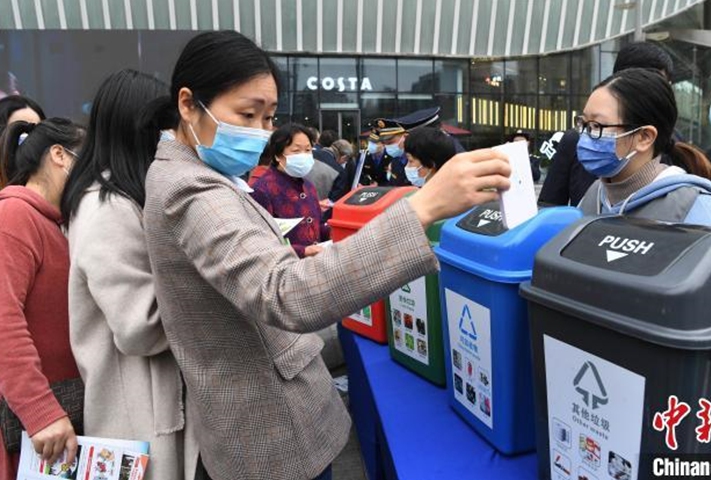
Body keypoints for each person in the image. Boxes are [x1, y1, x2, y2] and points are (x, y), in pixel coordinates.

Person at [141, 30, 510, 480]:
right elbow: (284, 295)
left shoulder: (198, 173)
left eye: (268, 117)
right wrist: (424, 207)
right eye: (246, 114)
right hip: (274, 436)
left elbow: (258, 276)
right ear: (187, 104)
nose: (259, 132)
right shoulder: (191, 189)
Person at [60, 69, 199, 480]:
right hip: (138, 418)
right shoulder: (106, 209)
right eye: (162, 127)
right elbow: (140, 326)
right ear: (136, 130)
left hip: (150, 409)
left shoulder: (124, 197)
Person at [0, 118, 84, 479]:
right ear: (59, 156)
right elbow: (4, 319)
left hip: (56, 416)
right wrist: (41, 412)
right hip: (34, 429)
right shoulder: (14, 215)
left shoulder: (54, 222)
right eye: (88, 161)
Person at [576, 68, 711, 228]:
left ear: (645, 137)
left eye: (596, 125)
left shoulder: (698, 210)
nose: (585, 135)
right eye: (583, 124)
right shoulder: (593, 196)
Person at [539, 41, 675, 207]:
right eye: (586, 123)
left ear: (646, 137)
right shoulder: (589, 200)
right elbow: (548, 207)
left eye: (661, 85)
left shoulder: (684, 198)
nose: (652, 91)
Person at [251, 123, 330, 259]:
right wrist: (302, 251)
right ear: (277, 155)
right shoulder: (262, 189)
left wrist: (333, 231)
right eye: (296, 151)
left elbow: (317, 225)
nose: (304, 155)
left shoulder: (308, 186)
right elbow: (259, 241)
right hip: (287, 268)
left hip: (315, 265)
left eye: (308, 150)